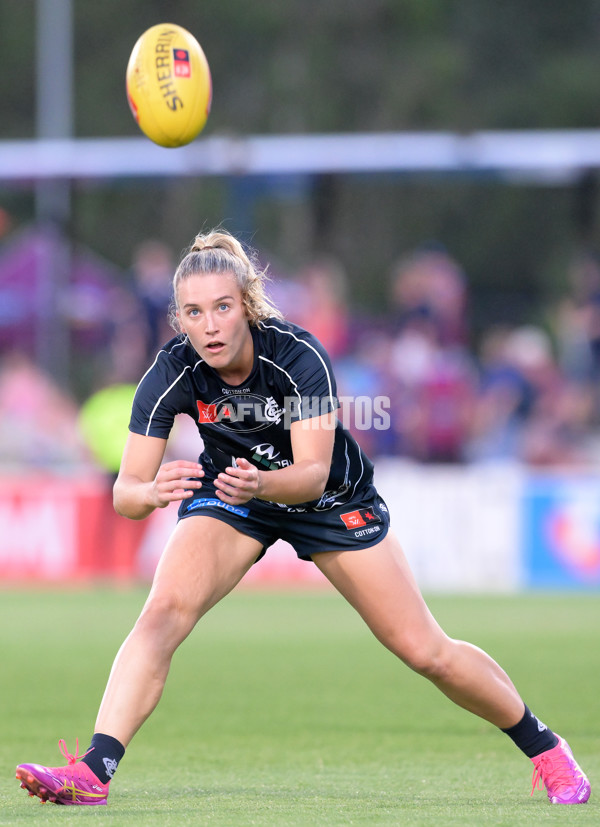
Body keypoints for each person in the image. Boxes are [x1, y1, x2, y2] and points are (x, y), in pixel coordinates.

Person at [16, 230, 590, 807]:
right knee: (163, 614)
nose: (210, 325)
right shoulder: (172, 371)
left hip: (329, 501)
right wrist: (152, 490)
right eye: (194, 312)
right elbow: (125, 492)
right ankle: (94, 771)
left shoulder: (297, 357)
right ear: (179, 319)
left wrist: (260, 481)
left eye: (222, 307)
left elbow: (313, 473)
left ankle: (546, 748)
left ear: (247, 304)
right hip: (235, 497)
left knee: (424, 651)